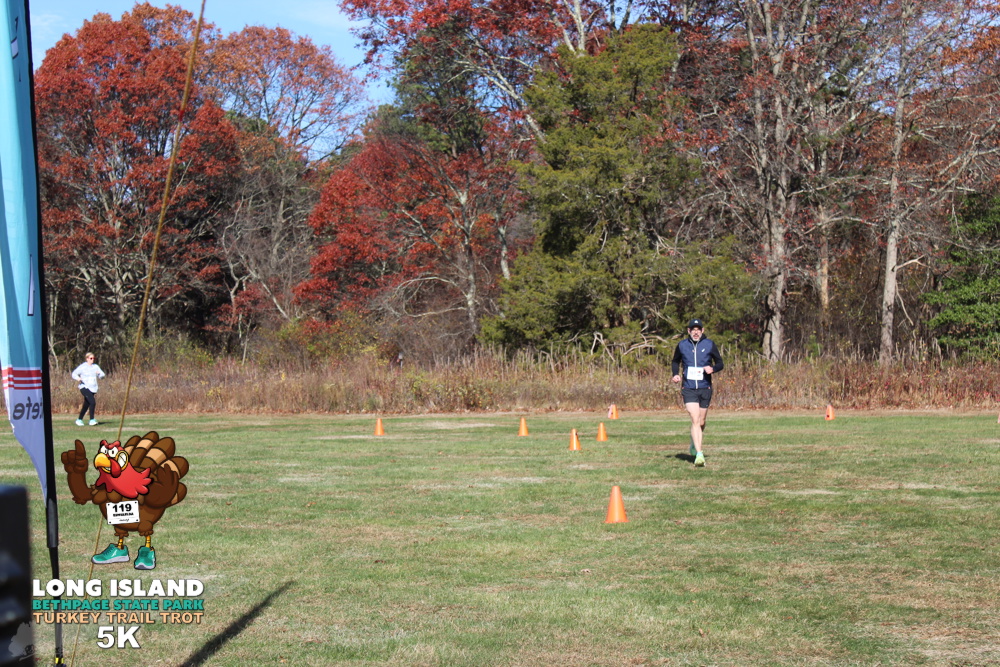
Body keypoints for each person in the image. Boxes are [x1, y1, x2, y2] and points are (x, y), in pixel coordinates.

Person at [671, 319, 724, 467]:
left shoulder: (709, 344)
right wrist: (675, 374)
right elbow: (675, 361)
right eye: (693, 330)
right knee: (694, 419)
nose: (696, 332)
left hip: (704, 387)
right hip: (688, 387)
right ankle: (699, 454)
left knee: (701, 422)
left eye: (698, 329)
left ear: (702, 331)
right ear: (689, 331)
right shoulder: (682, 345)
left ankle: (694, 443)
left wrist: (713, 369)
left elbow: (720, 363)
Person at [71, 352, 106, 426]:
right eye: (91, 358)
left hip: (93, 388)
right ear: (87, 359)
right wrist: (78, 378)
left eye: (93, 358)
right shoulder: (83, 366)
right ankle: (92, 420)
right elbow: (74, 373)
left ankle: (79, 420)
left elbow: (102, 375)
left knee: (86, 404)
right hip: (84, 387)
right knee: (92, 402)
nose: (92, 359)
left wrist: (99, 374)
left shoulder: (95, 367)